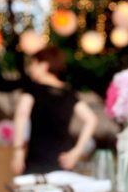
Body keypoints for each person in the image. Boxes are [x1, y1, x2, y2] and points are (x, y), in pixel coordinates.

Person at [12, 46, 97, 174]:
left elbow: (21, 115)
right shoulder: (68, 93)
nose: (30, 68)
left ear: (44, 65)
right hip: (65, 160)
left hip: (38, 160)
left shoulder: (33, 89)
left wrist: (18, 151)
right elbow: (91, 119)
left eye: (33, 64)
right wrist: (76, 152)